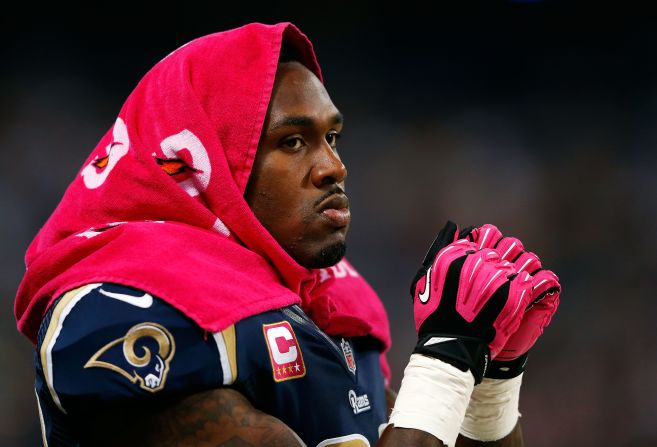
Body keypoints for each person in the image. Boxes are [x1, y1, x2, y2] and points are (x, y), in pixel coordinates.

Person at [14, 22, 561, 447]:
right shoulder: (119, 306)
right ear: (204, 163)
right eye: (293, 142)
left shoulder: (325, 303)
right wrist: (445, 359)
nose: (333, 167)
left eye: (333, 136)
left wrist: (491, 377)